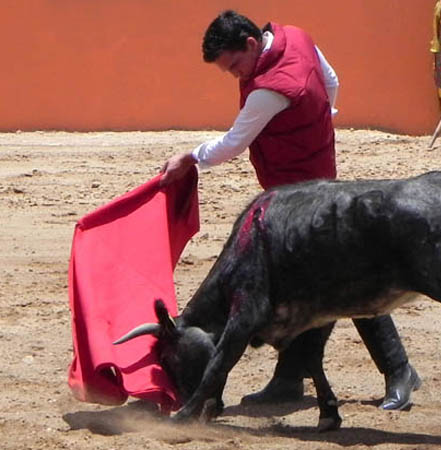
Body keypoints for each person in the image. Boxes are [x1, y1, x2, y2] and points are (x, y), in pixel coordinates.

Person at [160, 10, 421, 410]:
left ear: (250, 44)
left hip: (302, 202)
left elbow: (233, 143)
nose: (235, 75)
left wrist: (190, 158)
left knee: (343, 279)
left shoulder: (268, 90)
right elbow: (331, 82)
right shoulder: (297, 37)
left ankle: (400, 370)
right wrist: (315, 122)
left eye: (234, 66)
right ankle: (289, 378)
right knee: (296, 283)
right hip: (314, 184)